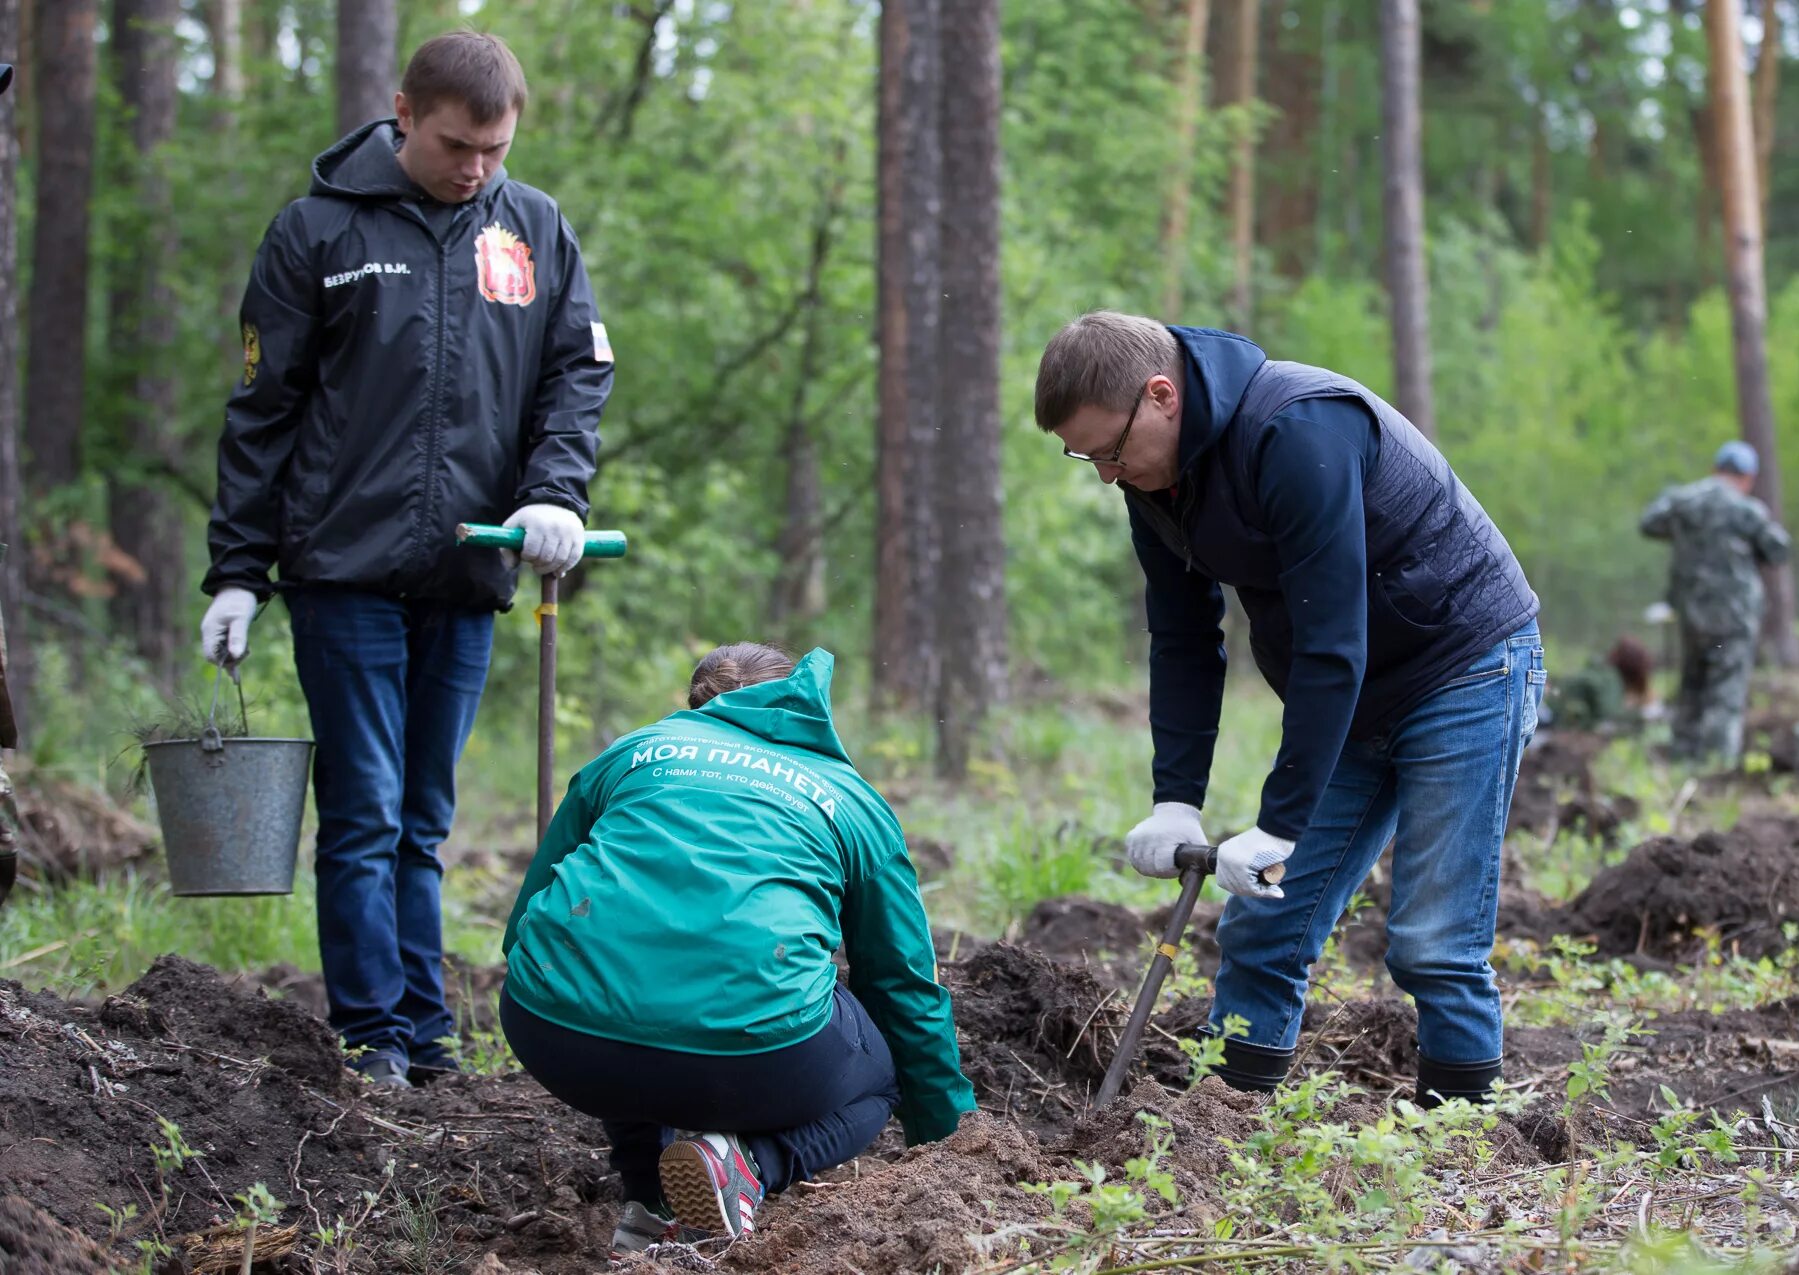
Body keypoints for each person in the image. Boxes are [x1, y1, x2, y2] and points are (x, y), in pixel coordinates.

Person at [197, 31, 613, 1089]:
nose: (475, 167)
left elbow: (575, 376)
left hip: (470, 570)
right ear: (401, 115)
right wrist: (240, 569)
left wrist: (553, 493)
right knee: (366, 808)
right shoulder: (317, 232)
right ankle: (370, 1034)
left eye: (495, 147)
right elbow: (263, 413)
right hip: (340, 569)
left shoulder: (533, 229)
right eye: (455, 144)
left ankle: (426, 1036)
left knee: (424, 818)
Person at [1035, 311, 1543, 1107]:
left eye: (1108, 450)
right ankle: (1223, 1116)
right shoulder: (1156, 478)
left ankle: (1467, 1128)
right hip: (1353, 688)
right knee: (1266, 921)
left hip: (1464, 663)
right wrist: (1176, 797)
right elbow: (1182, 639)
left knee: (1433, 938)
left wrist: (1283, 821)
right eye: (1085, 457)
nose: (1105, 473)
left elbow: (1332, 639)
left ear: (1161, 396)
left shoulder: (1298, 429)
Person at [500, 643, 975, 1256]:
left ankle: (647, 1203)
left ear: (695, 702)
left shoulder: (633, 753)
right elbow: (900, 985)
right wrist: (952, 1147)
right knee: (880, 1077)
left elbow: (525, 920)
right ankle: (750, 1165)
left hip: (554, 1033)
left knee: (620, 965)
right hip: (753, 1060)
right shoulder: (850, 798)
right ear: (805, 706)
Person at [1640, 441, 1790, 766]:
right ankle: (1717, 770)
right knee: (1726, 691)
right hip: (1734, 617)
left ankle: (1682, 760)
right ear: (1748, 477)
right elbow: (1778, 549)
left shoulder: (1684, 500)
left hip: (1691, 613)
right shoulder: (1746, 509)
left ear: (1715, 469)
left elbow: (1650, 523)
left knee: (1692, 683)